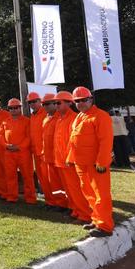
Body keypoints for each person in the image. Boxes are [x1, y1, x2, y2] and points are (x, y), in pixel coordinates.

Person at [67, 86, 114, 237]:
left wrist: (102, 162)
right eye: (77, 101)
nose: (80, 103)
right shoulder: (79, 116)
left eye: (83, 100)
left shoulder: (101, 116)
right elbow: (74, 140)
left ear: (91, 99)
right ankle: (96, 219)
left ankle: (105, 226)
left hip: (95, 165)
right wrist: (70, 158)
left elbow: (106, 141)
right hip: (81, 164)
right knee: (89, 193)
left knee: (101, 195)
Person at [54, 91, 93, 224]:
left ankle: (85, 215)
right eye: (55, 103)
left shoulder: (74, 118)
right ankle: (75, 210)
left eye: (58, 102)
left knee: (77, 189)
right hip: (61, 161)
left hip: (70, 161)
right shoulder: (59, 118)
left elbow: (75, 142)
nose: (56, 105)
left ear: (69, 103)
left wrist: (70, 158)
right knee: (69, 190)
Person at [0, 98, 36, 204]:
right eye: (11, 108)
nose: (13, 110)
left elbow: (29, 137)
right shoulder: (5, 121)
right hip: (8, 153)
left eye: (16, 108)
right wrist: (6, 145)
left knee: (27, 176)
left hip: (23, 153)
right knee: (10, 176)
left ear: (20, 108)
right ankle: (11, 196)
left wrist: (19, 147)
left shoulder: (27, 121)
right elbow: (0, 135)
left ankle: (30, 198)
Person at [40, 93, 68, 210]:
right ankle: (57, 203)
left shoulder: (60, 118)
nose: (45, 106)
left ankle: (66, 204)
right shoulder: (46, 118)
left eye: (48, 104)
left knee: (63, 183)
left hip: (58, 157)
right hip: (48, 157)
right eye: (43, 104)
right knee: (54, 183)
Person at [28, 92, 50, 201]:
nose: (32, 104)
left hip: (45, 152)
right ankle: (50, 200)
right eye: (30, 102)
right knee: (42, 178)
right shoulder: (32, 116)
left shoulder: (46, 113)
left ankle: (58, 201)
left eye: (34, 101)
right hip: (36, 152)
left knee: (50, 178)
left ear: (39, 101)